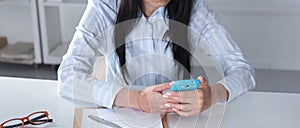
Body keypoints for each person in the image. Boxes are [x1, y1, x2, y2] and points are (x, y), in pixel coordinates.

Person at [58, 0, 256, 117]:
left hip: (178, 118)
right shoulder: (105, 5)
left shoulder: (195, 8)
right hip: (120, 114)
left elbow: (242, 70)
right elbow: (68, 76)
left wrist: (213, 95)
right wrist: (137, 99)